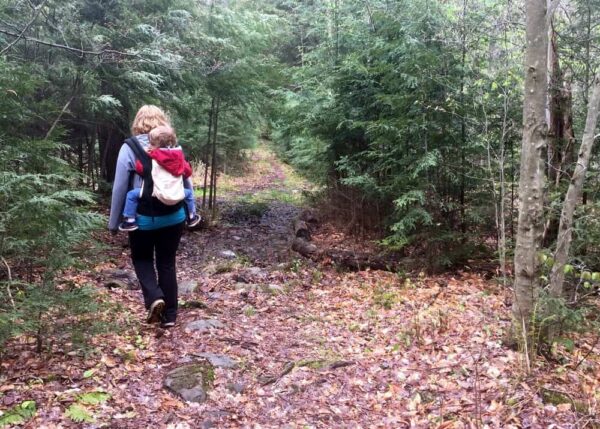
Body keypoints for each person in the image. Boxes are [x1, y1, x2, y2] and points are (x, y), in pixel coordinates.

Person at [108, 105, 189, 328]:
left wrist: (114, 222)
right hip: (174, 215)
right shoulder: (174, 145)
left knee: (142, 259)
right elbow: (185, 180)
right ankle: (171, 316)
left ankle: (154, 298)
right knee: (166, 263)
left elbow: (120, 187)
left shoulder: (129, 147)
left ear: (138, 123)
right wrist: (191, 211)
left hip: (143, 218)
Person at [118, 125, 201, 232]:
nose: (149, 145)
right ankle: (191, 216)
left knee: (131, 195)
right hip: (178, 193)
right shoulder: (179, 158)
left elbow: (140, 169)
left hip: (156, 193)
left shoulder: (152, 158)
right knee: (189, 193)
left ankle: (130, 220)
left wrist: (145, 156)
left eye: (152, 143)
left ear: (158, 145)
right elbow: (188, 172)